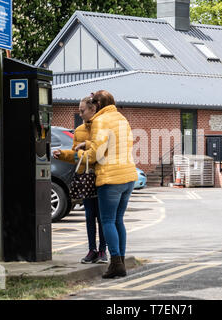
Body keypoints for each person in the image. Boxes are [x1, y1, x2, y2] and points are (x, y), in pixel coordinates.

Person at [75, 90, 137, 279]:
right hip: (128, 175)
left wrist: (81, 154)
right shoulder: (122, 119)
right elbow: (119, 143)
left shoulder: (100, 121)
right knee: (118, 220)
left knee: (107, 220)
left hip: (111, 179)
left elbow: (97, 154)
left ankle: (115, 263)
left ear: (98, 106)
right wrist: (89, 144)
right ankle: (121, 262)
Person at [52, 97, 108, 264]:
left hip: (101, 176)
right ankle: (92, 250)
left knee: (102, 217)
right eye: (79, 110)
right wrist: (63, 154)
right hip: (86, 178)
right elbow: (77, 155)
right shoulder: (79, 130)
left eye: (83, 110)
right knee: (90, 215)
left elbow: (103, 150)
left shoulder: (102, 127)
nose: (80, 113)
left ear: (93, 110)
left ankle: (103, 251)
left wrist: (87, 144)